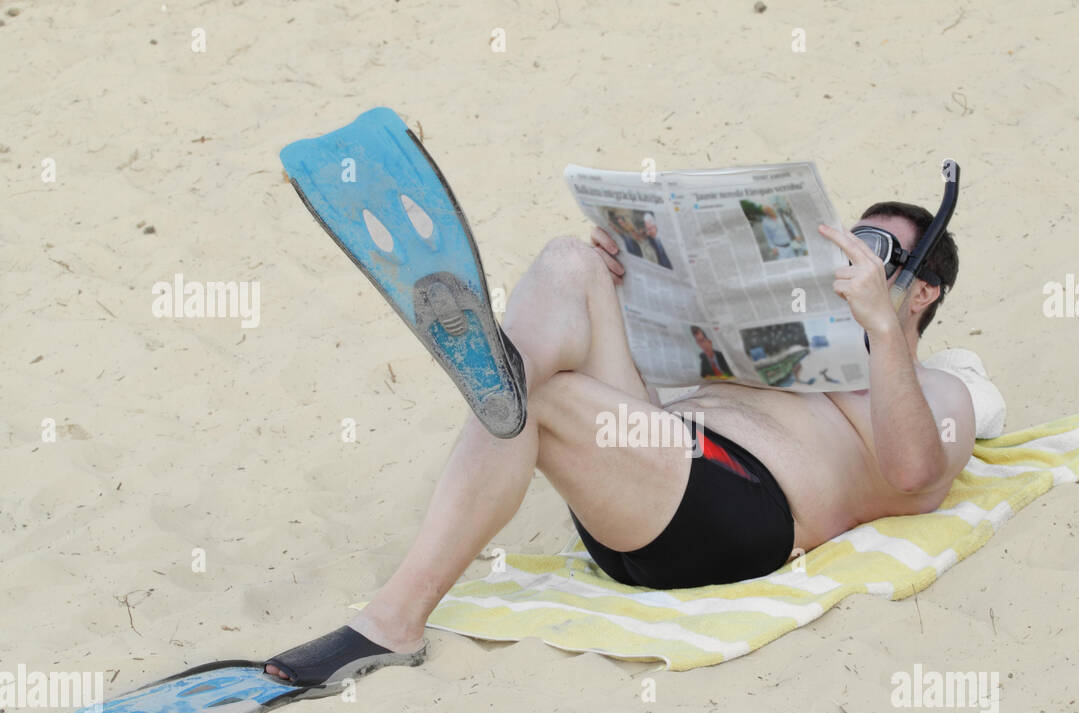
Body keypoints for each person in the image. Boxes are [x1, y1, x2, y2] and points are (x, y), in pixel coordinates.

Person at [266, 201, 970, 679]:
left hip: (738, 513)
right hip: (648, 468)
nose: (852, 263)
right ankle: (501, 369)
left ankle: (394, 621)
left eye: (875, 254)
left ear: (920, 292)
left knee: (534, 398)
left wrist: (880, 331)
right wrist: (637, 278)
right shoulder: (792, 336)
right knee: (573, 261)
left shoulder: (935, 391)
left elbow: (915, 479)